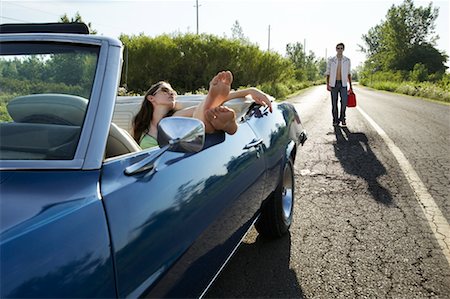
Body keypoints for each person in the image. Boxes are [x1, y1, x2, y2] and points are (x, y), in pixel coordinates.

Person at [133, 70, 273, 149]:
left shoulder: (177, 115)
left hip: (180, 158)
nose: (171, 93)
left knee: (203, 113)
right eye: (165, 90)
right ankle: (229, 125)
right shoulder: (139, 126)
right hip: (154, 167)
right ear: (151, 98)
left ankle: (227, 122)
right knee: (205, 111)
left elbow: (204, 109)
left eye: (173, 92)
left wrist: (249, 91)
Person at [326, 42, 353, 127]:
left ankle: (343, 118)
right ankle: (335, 120)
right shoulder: (331, 60)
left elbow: (349, 74)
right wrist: (328, 84)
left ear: (343, 49)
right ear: (336, 49)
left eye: (341, 48)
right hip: (333, 84)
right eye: (338, 48)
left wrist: (351, 87)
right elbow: (328, 73)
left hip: (343, 84)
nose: (340, 50)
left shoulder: (347, 60)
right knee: (334, 103)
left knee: (344, 102)